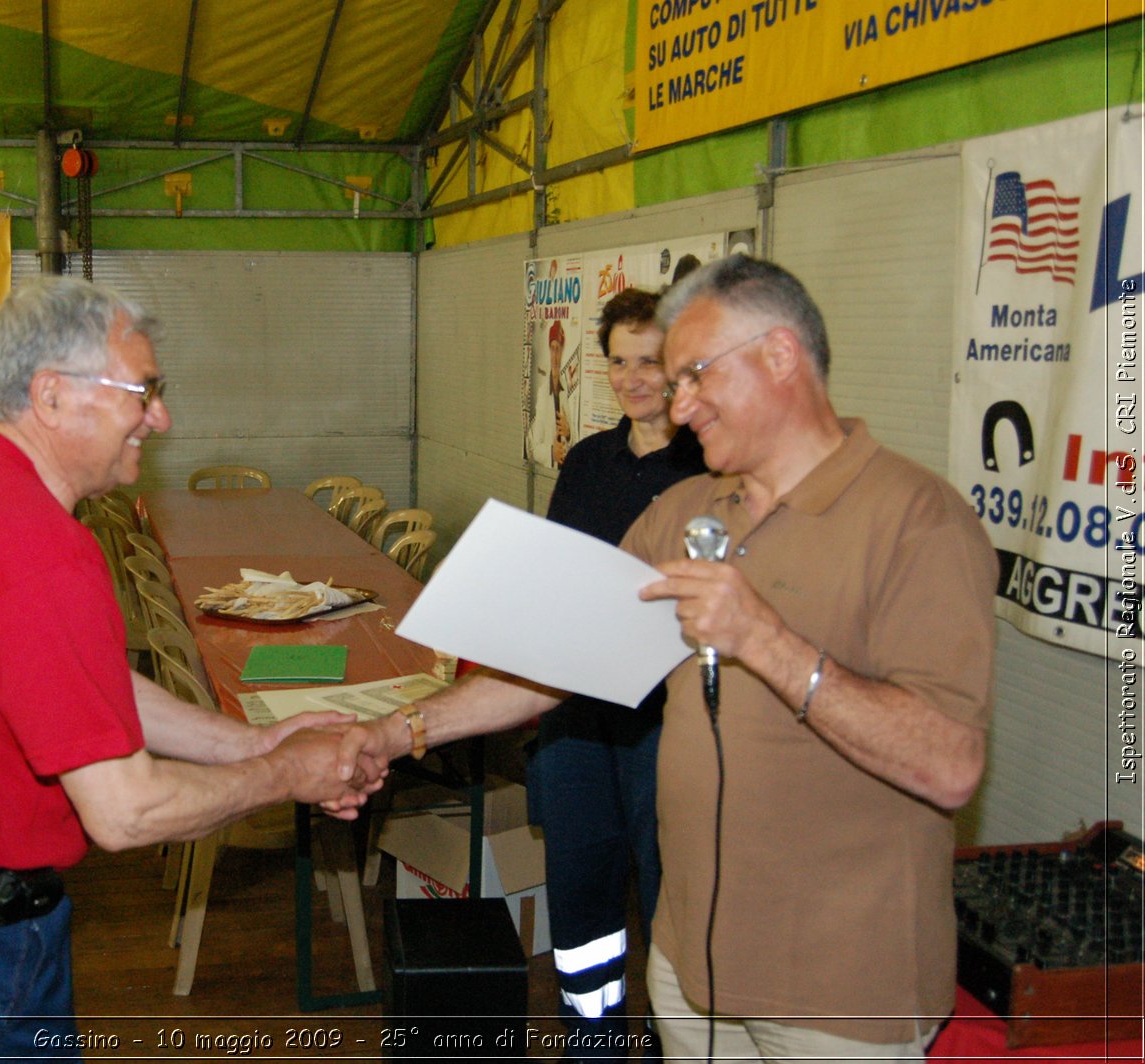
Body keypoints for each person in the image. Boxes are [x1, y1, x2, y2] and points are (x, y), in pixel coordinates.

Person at [344, 255, 996, 1062]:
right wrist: (400, 732)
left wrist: (765, 639)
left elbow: (949, 763)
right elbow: (560, 667)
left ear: (780, 357)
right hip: (691, 972)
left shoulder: (917, 522)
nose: (678, 405)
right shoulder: (684, 509)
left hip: (840, 994)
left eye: (695, 376)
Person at [0, 277, 384, 1060]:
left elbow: (84, 690)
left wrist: (257, 743)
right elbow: (127, 812)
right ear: (51, 396)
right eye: (142, 391)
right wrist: (292, 777)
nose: (161, 416)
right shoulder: (37, 551)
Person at [528, 288, 703, 1056]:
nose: (635, 379)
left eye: (651, 362)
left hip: (663, 722)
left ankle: (674, 1044)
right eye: (621, 362)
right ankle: (591, 1041)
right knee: (580, 893)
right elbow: (563, 576)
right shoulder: (588, 460)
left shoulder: (710, 467)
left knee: (670, 892)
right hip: (575, 719)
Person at [531, 319, 579, 468]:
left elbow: (576, 441)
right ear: (549, 349)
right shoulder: (543, 393)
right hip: (549, 473)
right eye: (553, 348)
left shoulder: (566, 391)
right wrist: (551, 453)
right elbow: (534, 448)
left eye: (559, 348)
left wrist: (569, 432)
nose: (555, 355)